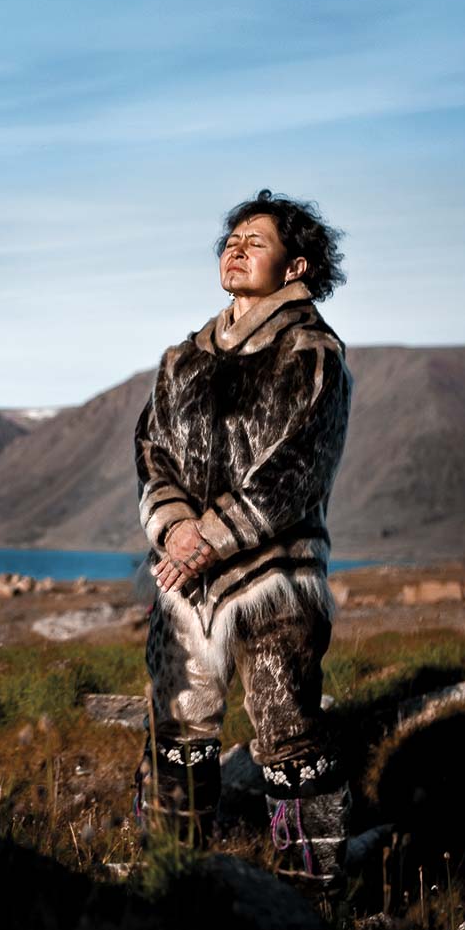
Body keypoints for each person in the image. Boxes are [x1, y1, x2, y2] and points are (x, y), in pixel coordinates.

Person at [132, 189, 353, 887]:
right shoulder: (181, 361)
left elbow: (294, 469)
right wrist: (174, 528)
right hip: (183, 579)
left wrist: (209, 538)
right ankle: (174, 876)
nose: (234, 247)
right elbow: (151, 450)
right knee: (178, 730)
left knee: (287, 733)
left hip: (275, 577)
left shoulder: (312, 354)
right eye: (231, 238)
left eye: (255, 241)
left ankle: (312, 894)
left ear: (297, 267)